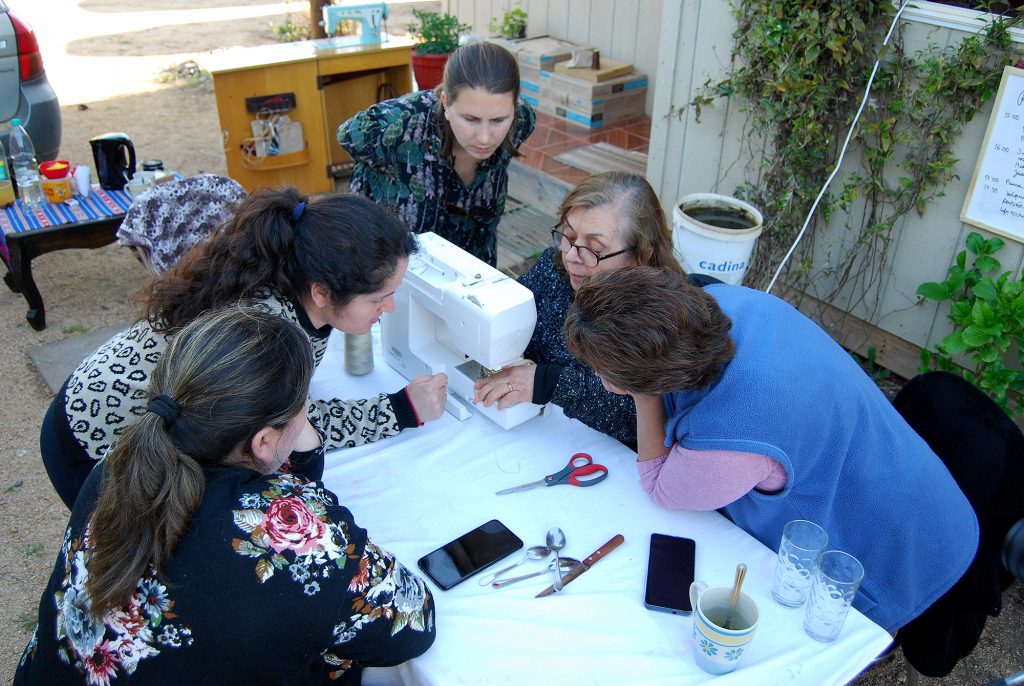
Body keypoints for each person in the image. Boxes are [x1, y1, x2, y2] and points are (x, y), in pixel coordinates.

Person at [17, 308, 435, 685]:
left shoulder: (120, 461)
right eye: (304, 404)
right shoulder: (290, 537)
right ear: (262, 442)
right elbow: (412, 620)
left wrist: (291, 437)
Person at [562, 266, 979, 637]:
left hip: (906, 548)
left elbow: (660, 486)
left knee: (838, 638)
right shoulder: (727, 301)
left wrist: (641, 393)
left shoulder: (735, 433)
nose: (598, 377)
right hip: (906, 471)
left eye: (603, 372)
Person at [41, 188, 448, 510]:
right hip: (94, 450)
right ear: (321, 293)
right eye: (379, 298)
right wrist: (401, 409)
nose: (389, 308)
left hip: (90, 399)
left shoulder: (287, 275)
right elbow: (289, 427)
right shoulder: (268, 332)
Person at [472, 172, 714, 446]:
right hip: (540, 433)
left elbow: (639, 417)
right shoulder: (556, 267)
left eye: (595, 248)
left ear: (640, 256)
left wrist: (550, 383)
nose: (572, 256)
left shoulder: (663, 318)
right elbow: (509, 311)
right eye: (568, 235)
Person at [338, 40, 536, 266]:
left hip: (474, 266)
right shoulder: (399, 124)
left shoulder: (522, 121)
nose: (484, 137)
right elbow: (347, 136)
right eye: (471, 119)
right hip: (393, 265)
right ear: (446, 103)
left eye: (498, 120)